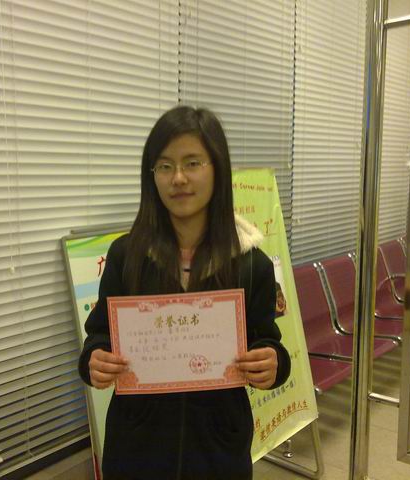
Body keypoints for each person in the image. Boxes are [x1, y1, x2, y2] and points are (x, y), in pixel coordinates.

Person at [78, 105, 291, 480]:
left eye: (193, 163)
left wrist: (273, 362)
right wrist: (94, 359)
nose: (178, 178)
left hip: (217, 448)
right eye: (164, 166)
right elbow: (99, 334)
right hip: (137, 447)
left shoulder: (250, 264)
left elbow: (266, 340)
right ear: (152, 176)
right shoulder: (127, 256)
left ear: (218, 169)